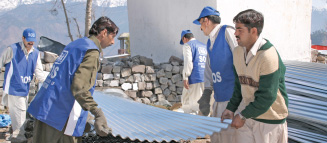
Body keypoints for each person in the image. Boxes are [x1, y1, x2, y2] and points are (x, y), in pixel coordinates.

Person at [27, 16, 119, 143]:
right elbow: (79, 88)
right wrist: (97, 113)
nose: (113, 42)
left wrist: (85, 115)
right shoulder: (92, 52)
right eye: (112, 37)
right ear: (104, 33)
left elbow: (65, 78)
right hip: (60, 116)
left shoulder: (76, 44)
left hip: (46, 107)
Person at [221, 9, 288, 143]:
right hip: (248, 116)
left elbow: (267, 96)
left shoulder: (268, 55)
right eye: (235, 29)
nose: (235, 34)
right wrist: (231, 108)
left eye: (240, 30)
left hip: (269, 121)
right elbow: (239, 84)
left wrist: (243, 115)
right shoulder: (238, 52)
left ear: (253, 31)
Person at [194, 6, 238, 142]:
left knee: (232, 137)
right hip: (219, 98)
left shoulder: (227, 32)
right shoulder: (209, 42)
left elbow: (241, 59)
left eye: (201, 24)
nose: (200, 28)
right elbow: (209, 69)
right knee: (217, 136)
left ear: (206, 21)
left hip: (233, 99)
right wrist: (207, 92)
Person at [0, 28, 48, 142]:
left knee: (17, 116)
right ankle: (19, 139)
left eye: (32, 41)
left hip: (24, 90)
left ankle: (16, 136)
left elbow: (39, 74)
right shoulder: (12, 50)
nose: (30, 44)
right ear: (23, 38)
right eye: (28, 41)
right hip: (14, 90)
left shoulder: (35, 53)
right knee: (20, 116)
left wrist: (54, 78)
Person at [180, 30, 207, 114]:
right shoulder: (204, 46)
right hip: (206, 78)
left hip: (195, 78)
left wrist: (185, 76)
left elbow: (188, 62)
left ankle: (192, 125)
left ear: (184, 38)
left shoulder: (187, 45)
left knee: (193, 106)